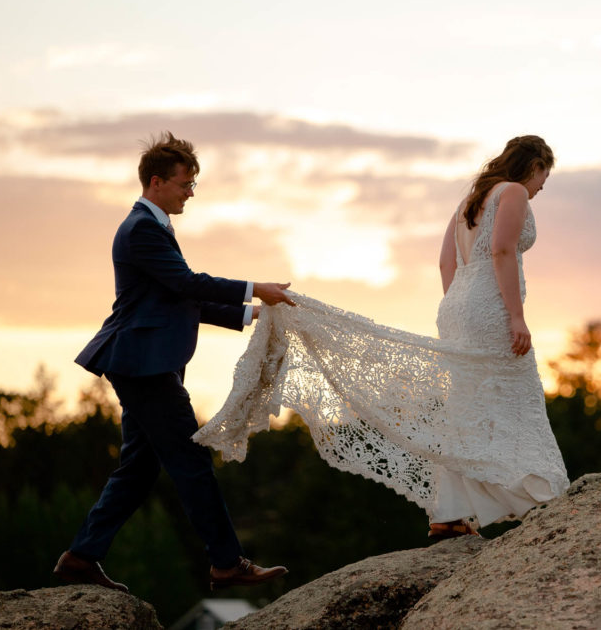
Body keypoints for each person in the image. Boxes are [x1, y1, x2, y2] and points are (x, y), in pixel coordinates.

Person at [194, 135, 569, 539]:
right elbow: (501, 252)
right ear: (533, 166)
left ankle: (448, 514)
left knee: (466, 407)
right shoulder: (512, 191)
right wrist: (515, 316)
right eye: (541, 181)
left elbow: (447, 262)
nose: (539, 190)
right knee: (518, 394)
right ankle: (539, 496)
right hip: (490, 306)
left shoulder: (469, 202)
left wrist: (459, 308)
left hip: (459, 306)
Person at [53, 132, 296, 594]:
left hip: (143, 361)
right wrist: (253, 287)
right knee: (190, 460)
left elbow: (179, 299)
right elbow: (186, 283)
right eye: (186, 183)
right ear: (156, 181)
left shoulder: (153, 225)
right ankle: (227, 563)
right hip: (141, 363)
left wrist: (253, 313)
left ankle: (81, 558)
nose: (190, 193)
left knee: (139, 468)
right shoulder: (141, 228)